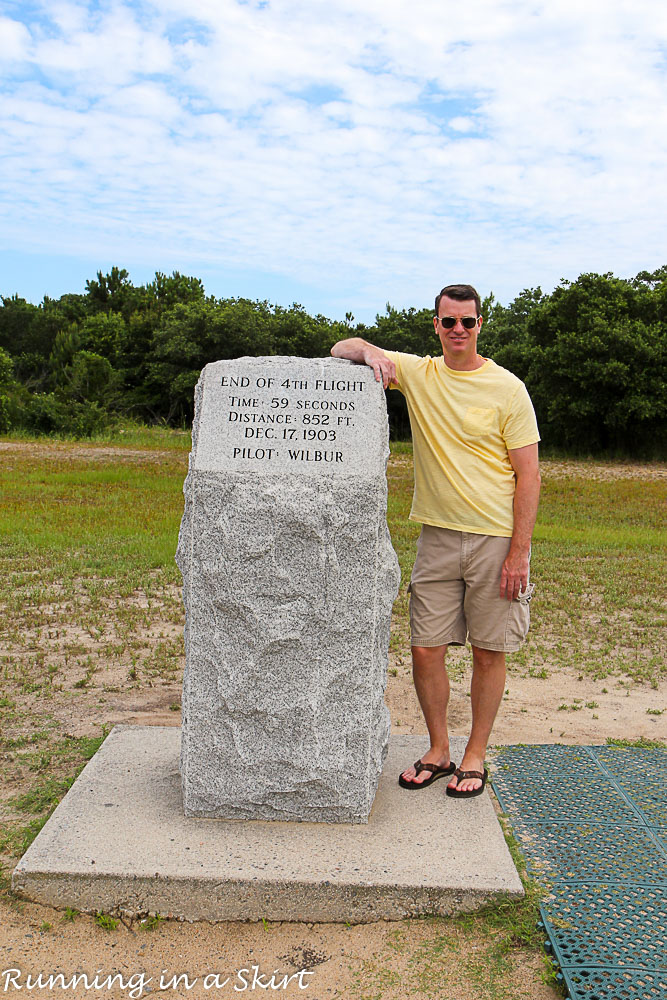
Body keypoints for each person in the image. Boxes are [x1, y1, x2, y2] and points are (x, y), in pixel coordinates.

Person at [331, 284, 540, 797]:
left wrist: (519, 552)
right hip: (437, 537)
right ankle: (439, 749)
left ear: (480, 325)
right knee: (426, 649)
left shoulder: (507, 388)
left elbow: (529, 475)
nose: (458, 331)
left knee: (490, 650)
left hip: (495, 538)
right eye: (449, 322)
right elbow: (341, 349)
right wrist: (374, 353)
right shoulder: (420, 373)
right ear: (437, 326)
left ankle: (475, 754)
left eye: (467, 322)